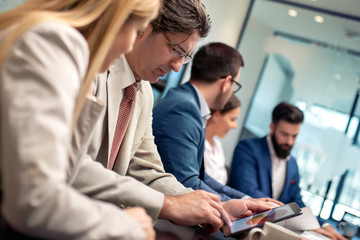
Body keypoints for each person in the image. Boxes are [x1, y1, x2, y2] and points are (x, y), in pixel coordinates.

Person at [88, 0, 272, 231]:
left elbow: (147, 169)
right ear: (145, 28)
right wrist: (167, 205)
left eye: (185, 56)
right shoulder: (94, 65)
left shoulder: (143, 92)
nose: (177, 67)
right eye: (175, 49)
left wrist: (218, 208)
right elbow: (74, 164)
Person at [0, 0, 162, 239]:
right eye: (137, 32)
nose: (130, 47)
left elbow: (64, 172)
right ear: (114, 18)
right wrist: (127, 225)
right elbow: (36, 201)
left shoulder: (57, 44)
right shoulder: (54, 42)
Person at [152, 42, 281, 207]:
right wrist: (240, 206)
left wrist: (245, 200)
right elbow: (187, 182)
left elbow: (201, 176)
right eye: (235, 85)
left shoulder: (189, 102)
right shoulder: (185, 109)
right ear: (226, 82)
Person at [228, 102, 347, 240]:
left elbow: (297, 203)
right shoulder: (247, 149)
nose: (289, 142)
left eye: (294, 136)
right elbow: (250, 193)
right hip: (242, 231)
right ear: (272, 127)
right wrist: (294, 216)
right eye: (284, 134)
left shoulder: (292, 164)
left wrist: (324, 225)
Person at [205, 95, 241, 185]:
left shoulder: (217, 146)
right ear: (216, 115)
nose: (235, 126)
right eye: (232, 119)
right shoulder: (198, 144)